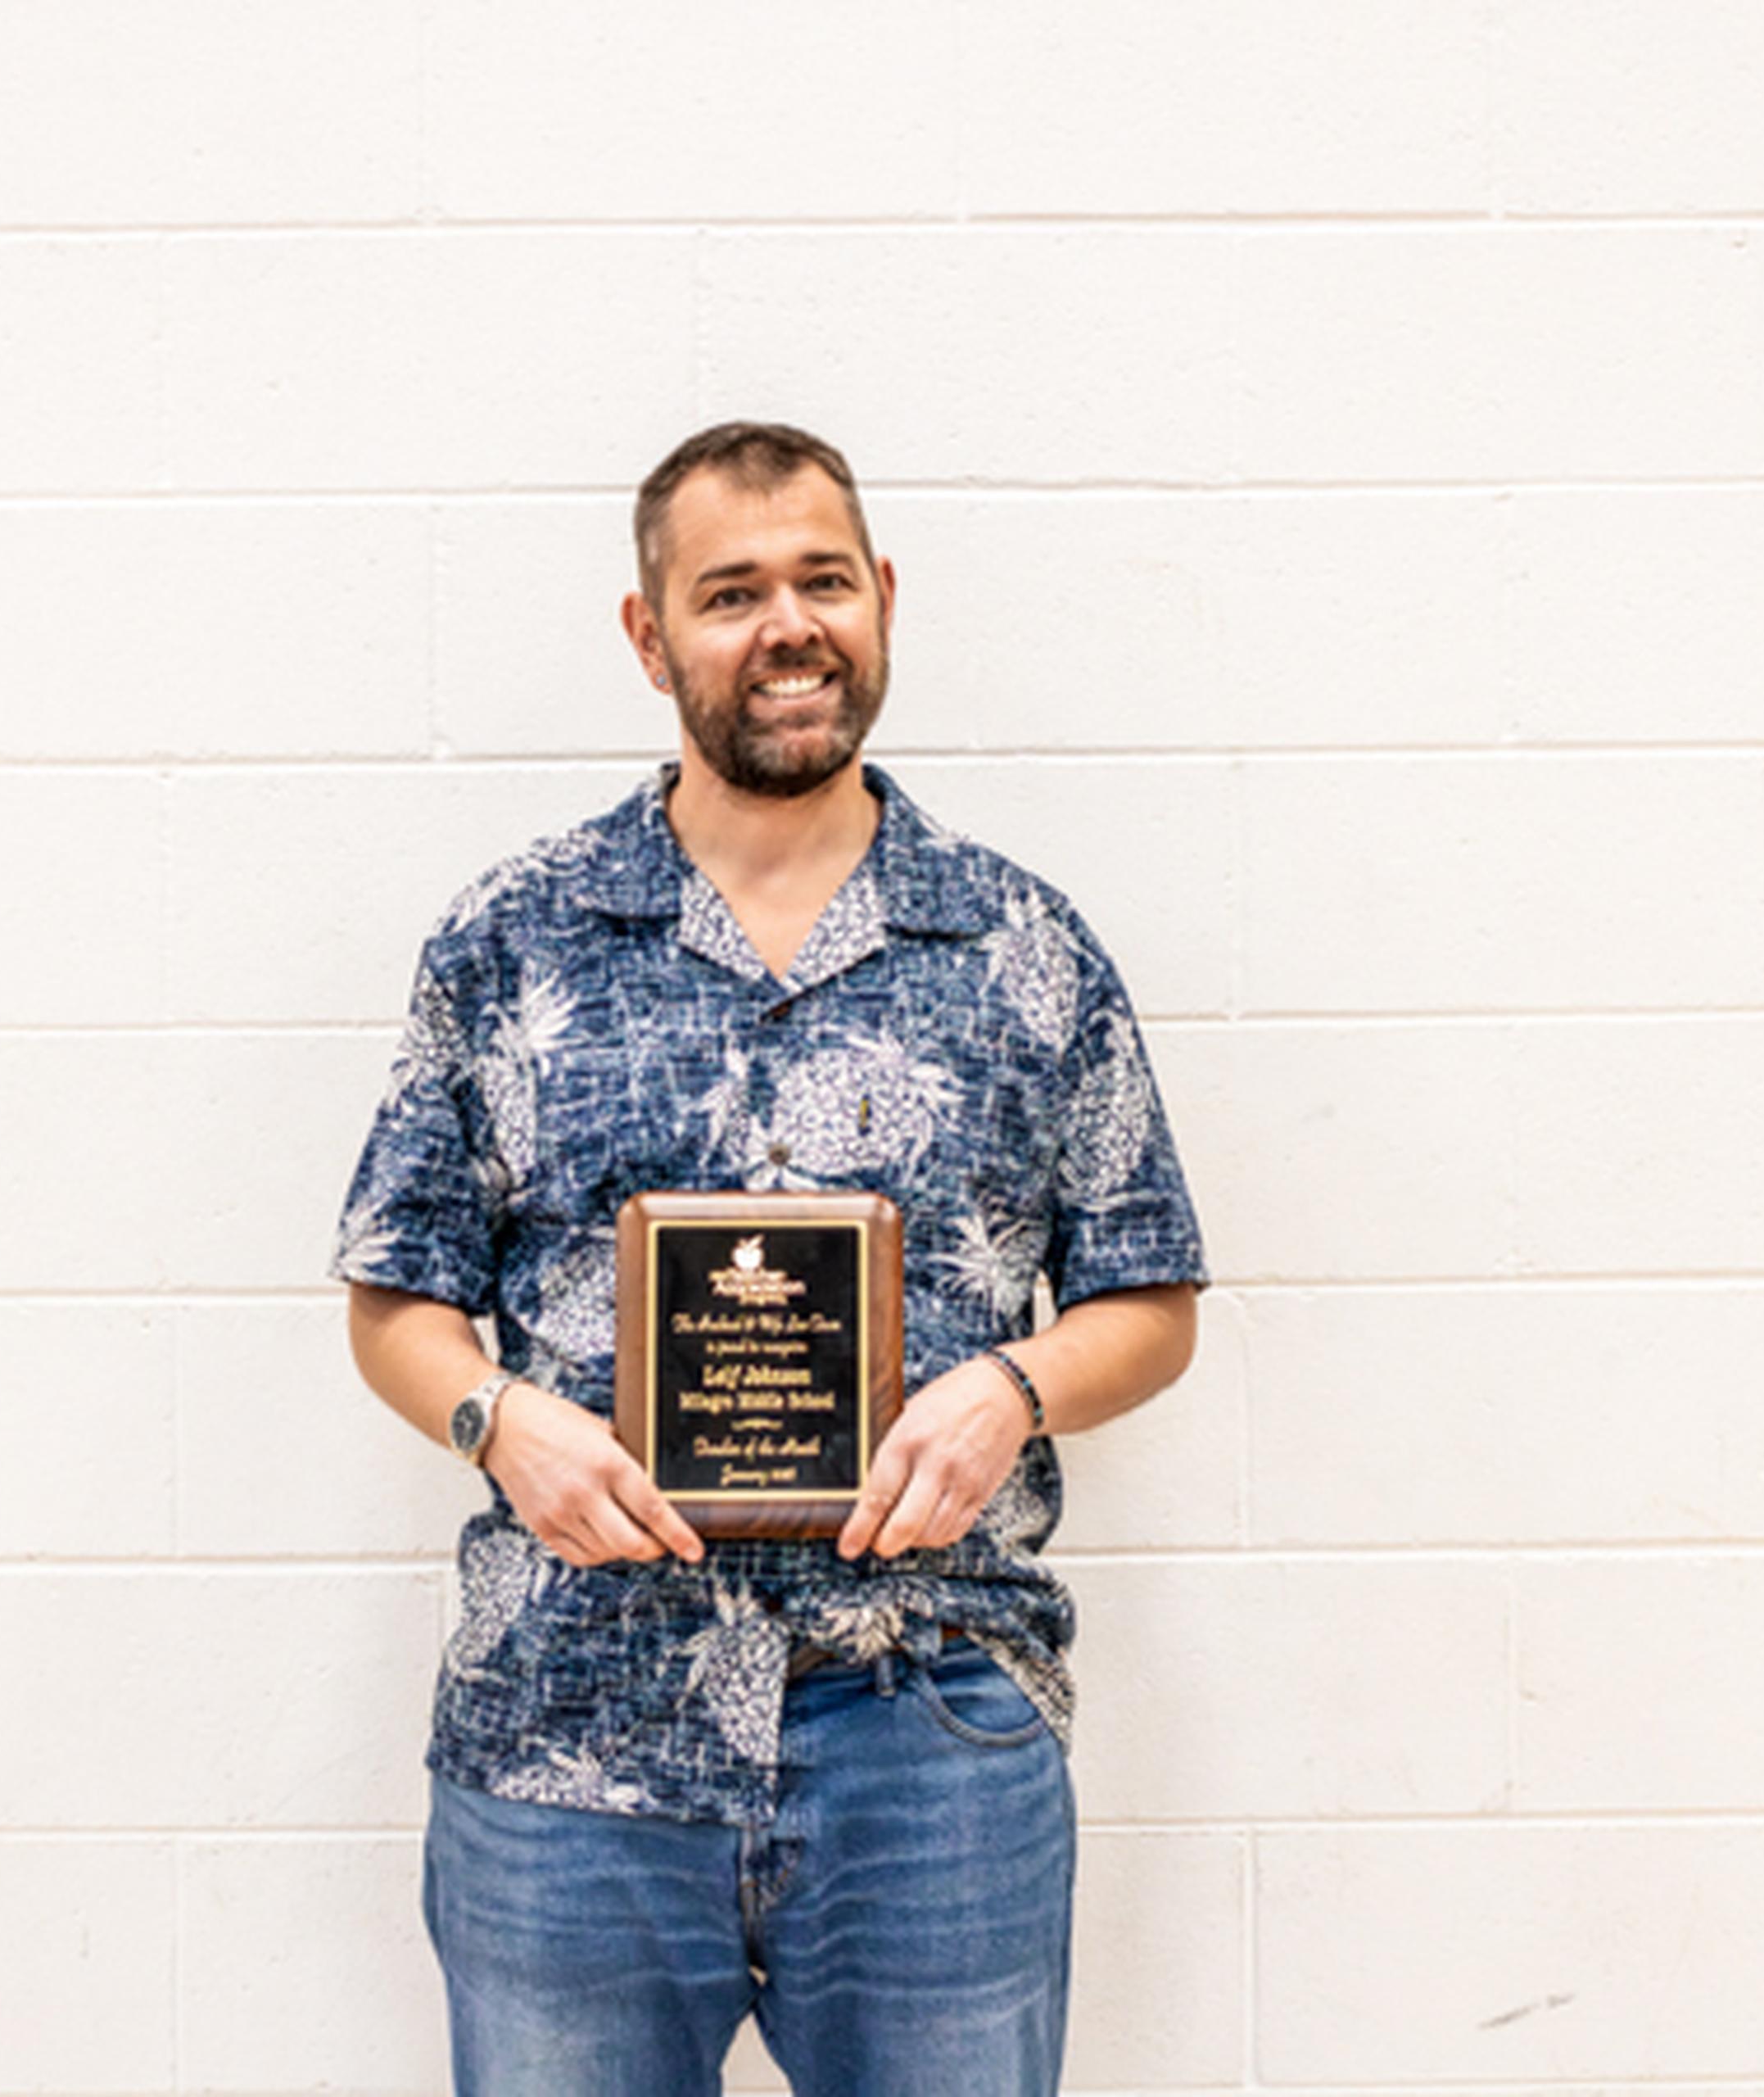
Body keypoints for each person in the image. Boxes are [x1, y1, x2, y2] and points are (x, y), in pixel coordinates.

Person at [332, 420, 1206, 2096]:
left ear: (882, 598)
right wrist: (496, 1422)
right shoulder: (512, 938)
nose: (788, 624)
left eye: (822, 579)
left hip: (930, 1727)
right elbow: (397, 1298)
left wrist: (1012, 1393)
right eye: (730, 592)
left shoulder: (1024, 945)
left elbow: (1148, 1298)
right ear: (648, 636)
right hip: (567, 1729)